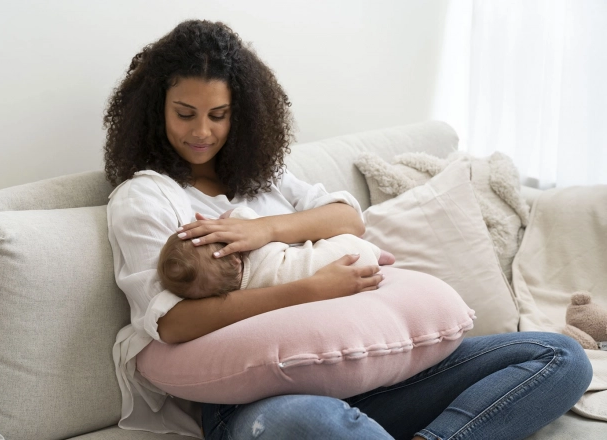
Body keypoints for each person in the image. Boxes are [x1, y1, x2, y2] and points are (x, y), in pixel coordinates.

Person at [104, 19, 592, 440]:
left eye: (218, 115)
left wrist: (266, 231)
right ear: (156, 110)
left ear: (241, 113)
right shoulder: (145, 197)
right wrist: (309, 290)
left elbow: (347, 217)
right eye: (185, 114)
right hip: (262, 397)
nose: (201, 132)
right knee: (313, 421)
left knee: (561, 357)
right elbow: (170, 322)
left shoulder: (261, 177)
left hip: (377, 372)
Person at [158, 207, 396, 299]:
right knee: (327, 247)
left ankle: (377, 256)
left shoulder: (249, 290)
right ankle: (379, 254)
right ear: (235, 257)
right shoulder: (258, 252)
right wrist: (227, 219)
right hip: (351, 252)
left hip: (356, 274)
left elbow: (352, 219)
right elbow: (242, 217)